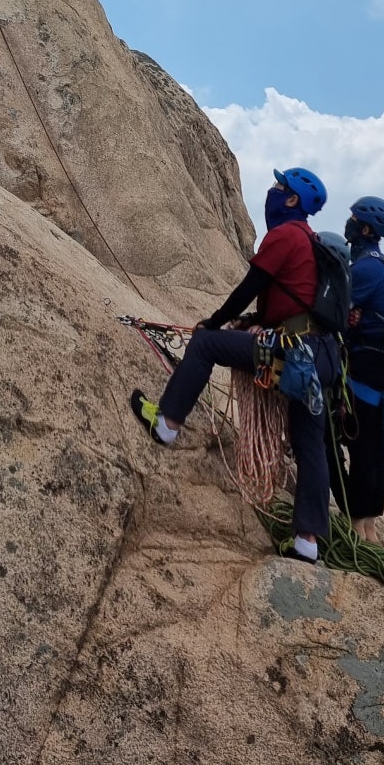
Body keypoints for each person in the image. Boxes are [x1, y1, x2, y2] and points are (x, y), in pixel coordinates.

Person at [131, 168, 339, 563]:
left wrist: (214, 321)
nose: (273, 191)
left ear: (292, 200)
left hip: (294, 353)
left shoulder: (285, 235)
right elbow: (289, 299)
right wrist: (250, 321)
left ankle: (167, 425)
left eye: (280, 187)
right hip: (321, 357)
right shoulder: (311, 241)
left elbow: (250, 285)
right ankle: (307, 543)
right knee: (310, 443)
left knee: (207, 344)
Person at [328, 197, 384, 543]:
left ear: (366, 229)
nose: (349, 224)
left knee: (359, 443)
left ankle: (360, 527)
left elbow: (333, 311)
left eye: (354, 220)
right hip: (376, 366)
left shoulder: (366, 269)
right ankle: (368, 525)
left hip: (363, 367)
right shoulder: (379, 265)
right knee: (370, 443)